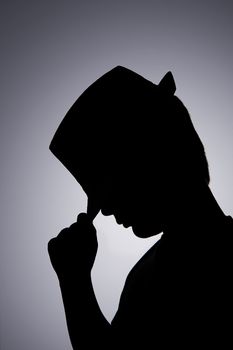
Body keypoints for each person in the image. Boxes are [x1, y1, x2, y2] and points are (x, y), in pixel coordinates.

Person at [48, 66, 232, 349]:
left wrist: (74, 281)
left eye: (109, 186)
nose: (107, 210)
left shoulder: (148, 278)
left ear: (153, 157)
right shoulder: (143, 276)